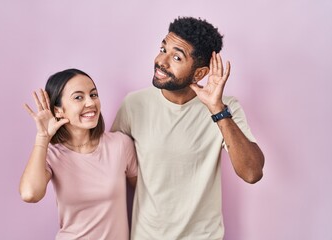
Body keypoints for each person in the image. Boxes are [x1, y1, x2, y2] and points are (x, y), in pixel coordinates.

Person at [111, 16, 265, 239]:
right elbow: (116, 166)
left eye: (176, 57)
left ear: (199, 73)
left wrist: (217, 110)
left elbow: (252, 173)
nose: (161, 61)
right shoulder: (134, 104)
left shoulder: (226, 108)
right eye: (162, 48)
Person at [19, 68, 138, 240]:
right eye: (78, 97)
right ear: (58, 110)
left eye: (94, 95)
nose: (90, 103)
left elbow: (144, 194)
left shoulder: (120, 145)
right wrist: (42, 138)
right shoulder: (51, 155)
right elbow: (30, 194)